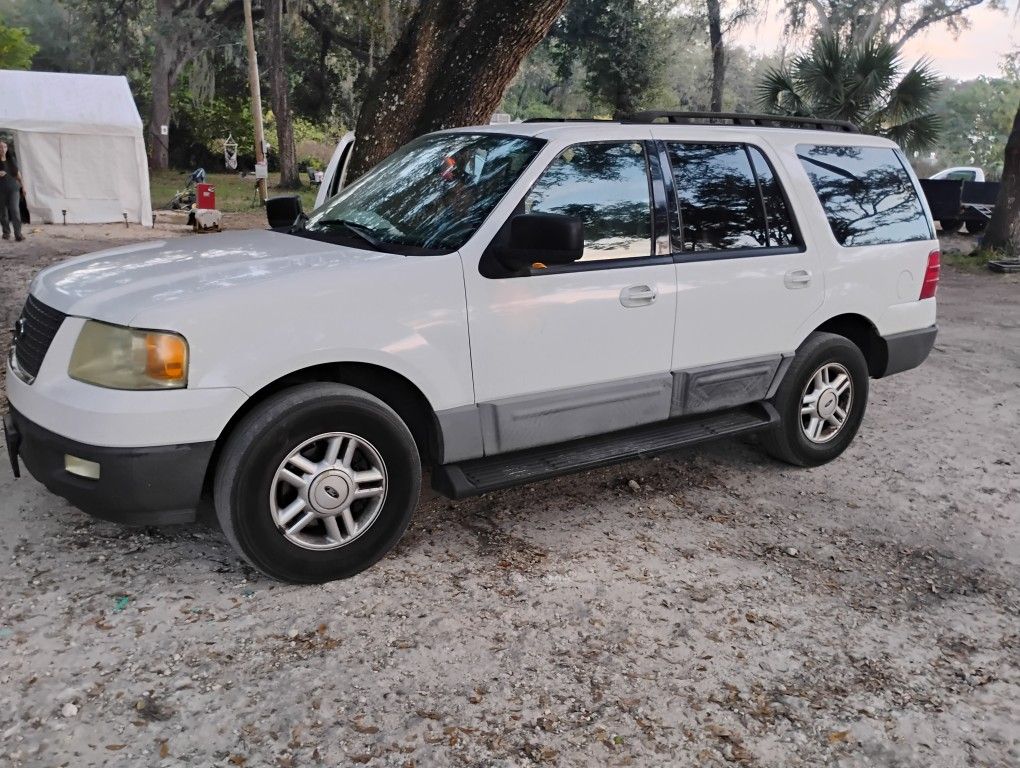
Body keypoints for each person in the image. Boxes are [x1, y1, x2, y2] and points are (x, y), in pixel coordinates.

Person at [0, 140, 25, 242]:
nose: (2, 149)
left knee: (15, 211)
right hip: (0, 190)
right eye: (0, 147)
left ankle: (18, 234)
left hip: (13, 189)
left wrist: (23, 187)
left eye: (4, 147)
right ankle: (6, 232)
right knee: (3, 213)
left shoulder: (12, 159)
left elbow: (18, 174)